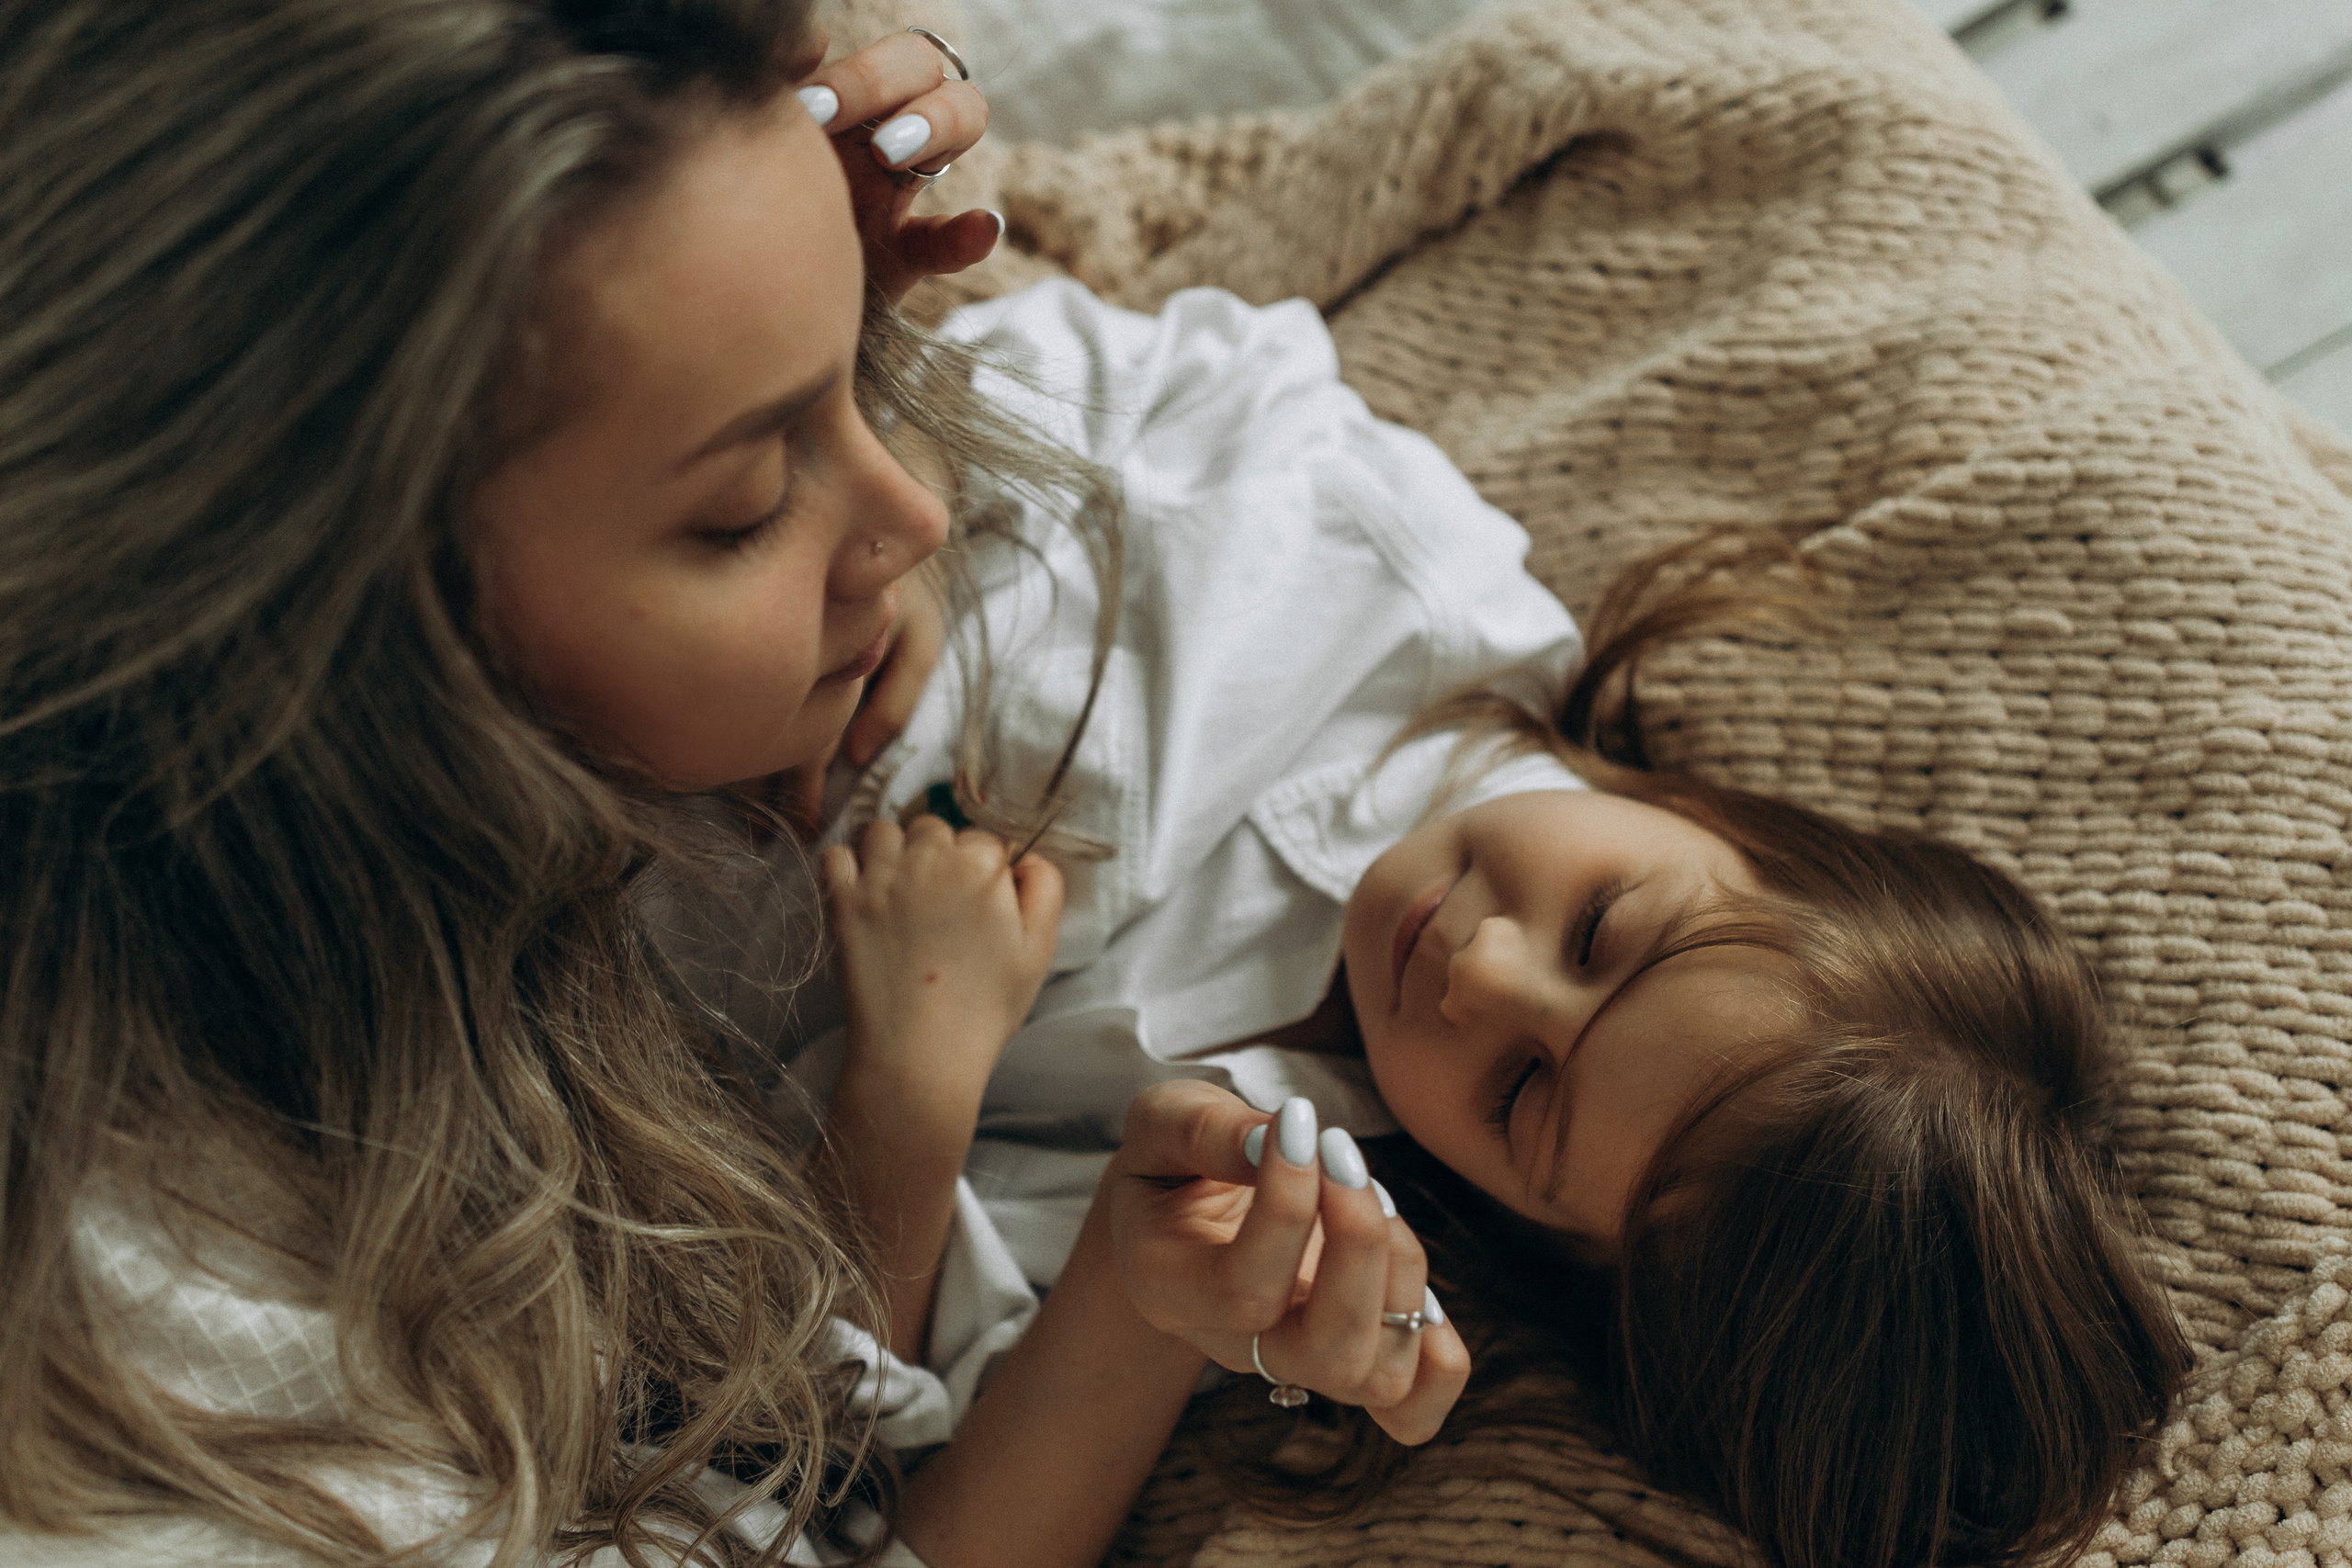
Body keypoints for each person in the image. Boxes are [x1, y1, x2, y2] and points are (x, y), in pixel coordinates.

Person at [0, 5, 1320, 1566]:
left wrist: (813, 322)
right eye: (743, 506)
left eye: (865, 394)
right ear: (317, 641)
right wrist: (1130, 1299)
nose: (911, 516)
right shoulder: (210, 1377)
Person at [807, 277, 2196, 1568]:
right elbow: (1115, 366)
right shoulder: (1405, 588)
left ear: (1547, 1228)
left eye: (1523, 1094)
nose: (1481, 970)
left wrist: (913, 1076)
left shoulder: (1266, 1174)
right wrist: (906, 501)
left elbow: (876, 1362)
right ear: (1732, 824)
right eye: (1601, 929)